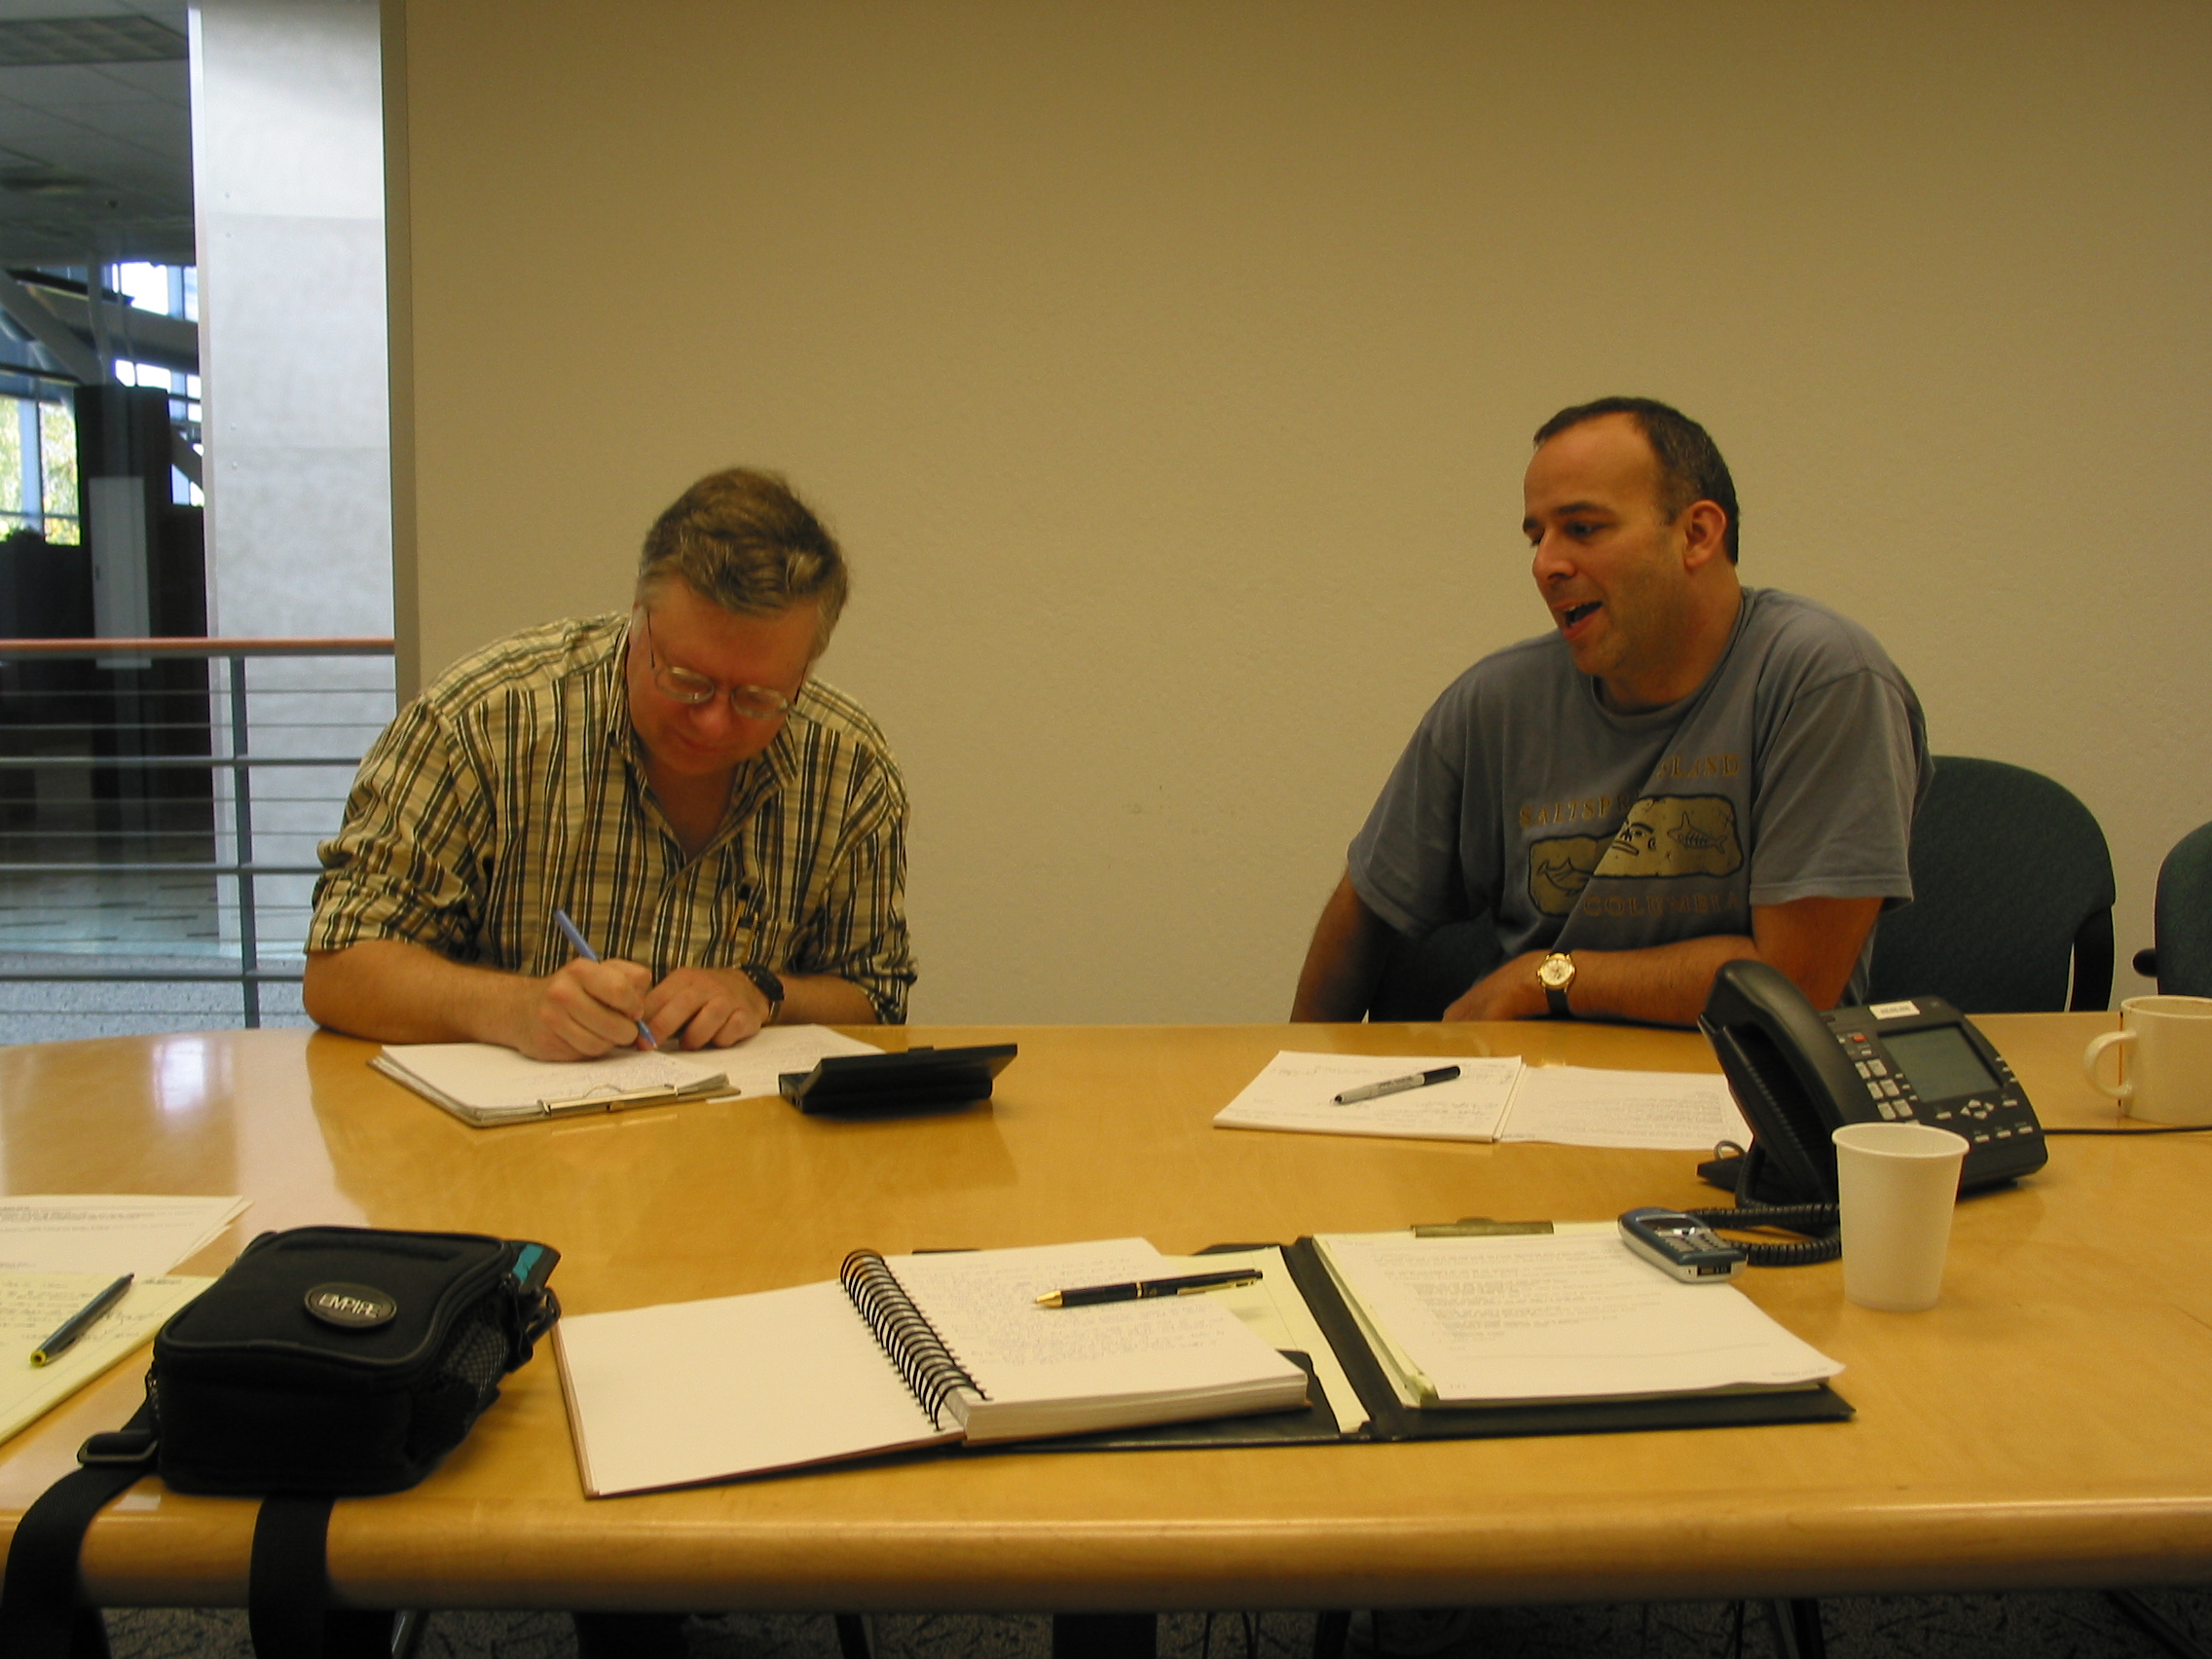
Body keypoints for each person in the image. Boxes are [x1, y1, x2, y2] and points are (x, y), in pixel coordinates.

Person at [1292, 396, 1930, 1027]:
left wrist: (1545, 978)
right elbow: (1367, 904)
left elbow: (1793, 983)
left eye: (1583, 529)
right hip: (1528, 1075)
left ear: (1696, 534)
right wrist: (1300, 1072)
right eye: (1536, 537)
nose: (1545, 565)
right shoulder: (1496, 702)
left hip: (1741, 1072)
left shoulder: (1824, 679)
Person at [304, 466, 913, 1058]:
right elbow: (339, 970)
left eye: (758, 697)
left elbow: (877, 997)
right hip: (510, 1124)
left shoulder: (847, 767)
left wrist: (764, 992)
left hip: (742, 1124)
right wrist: (514, 1009)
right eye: (686, 680)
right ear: (638, 616)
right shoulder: (485, 724)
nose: (713, 722)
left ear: (805, 671)